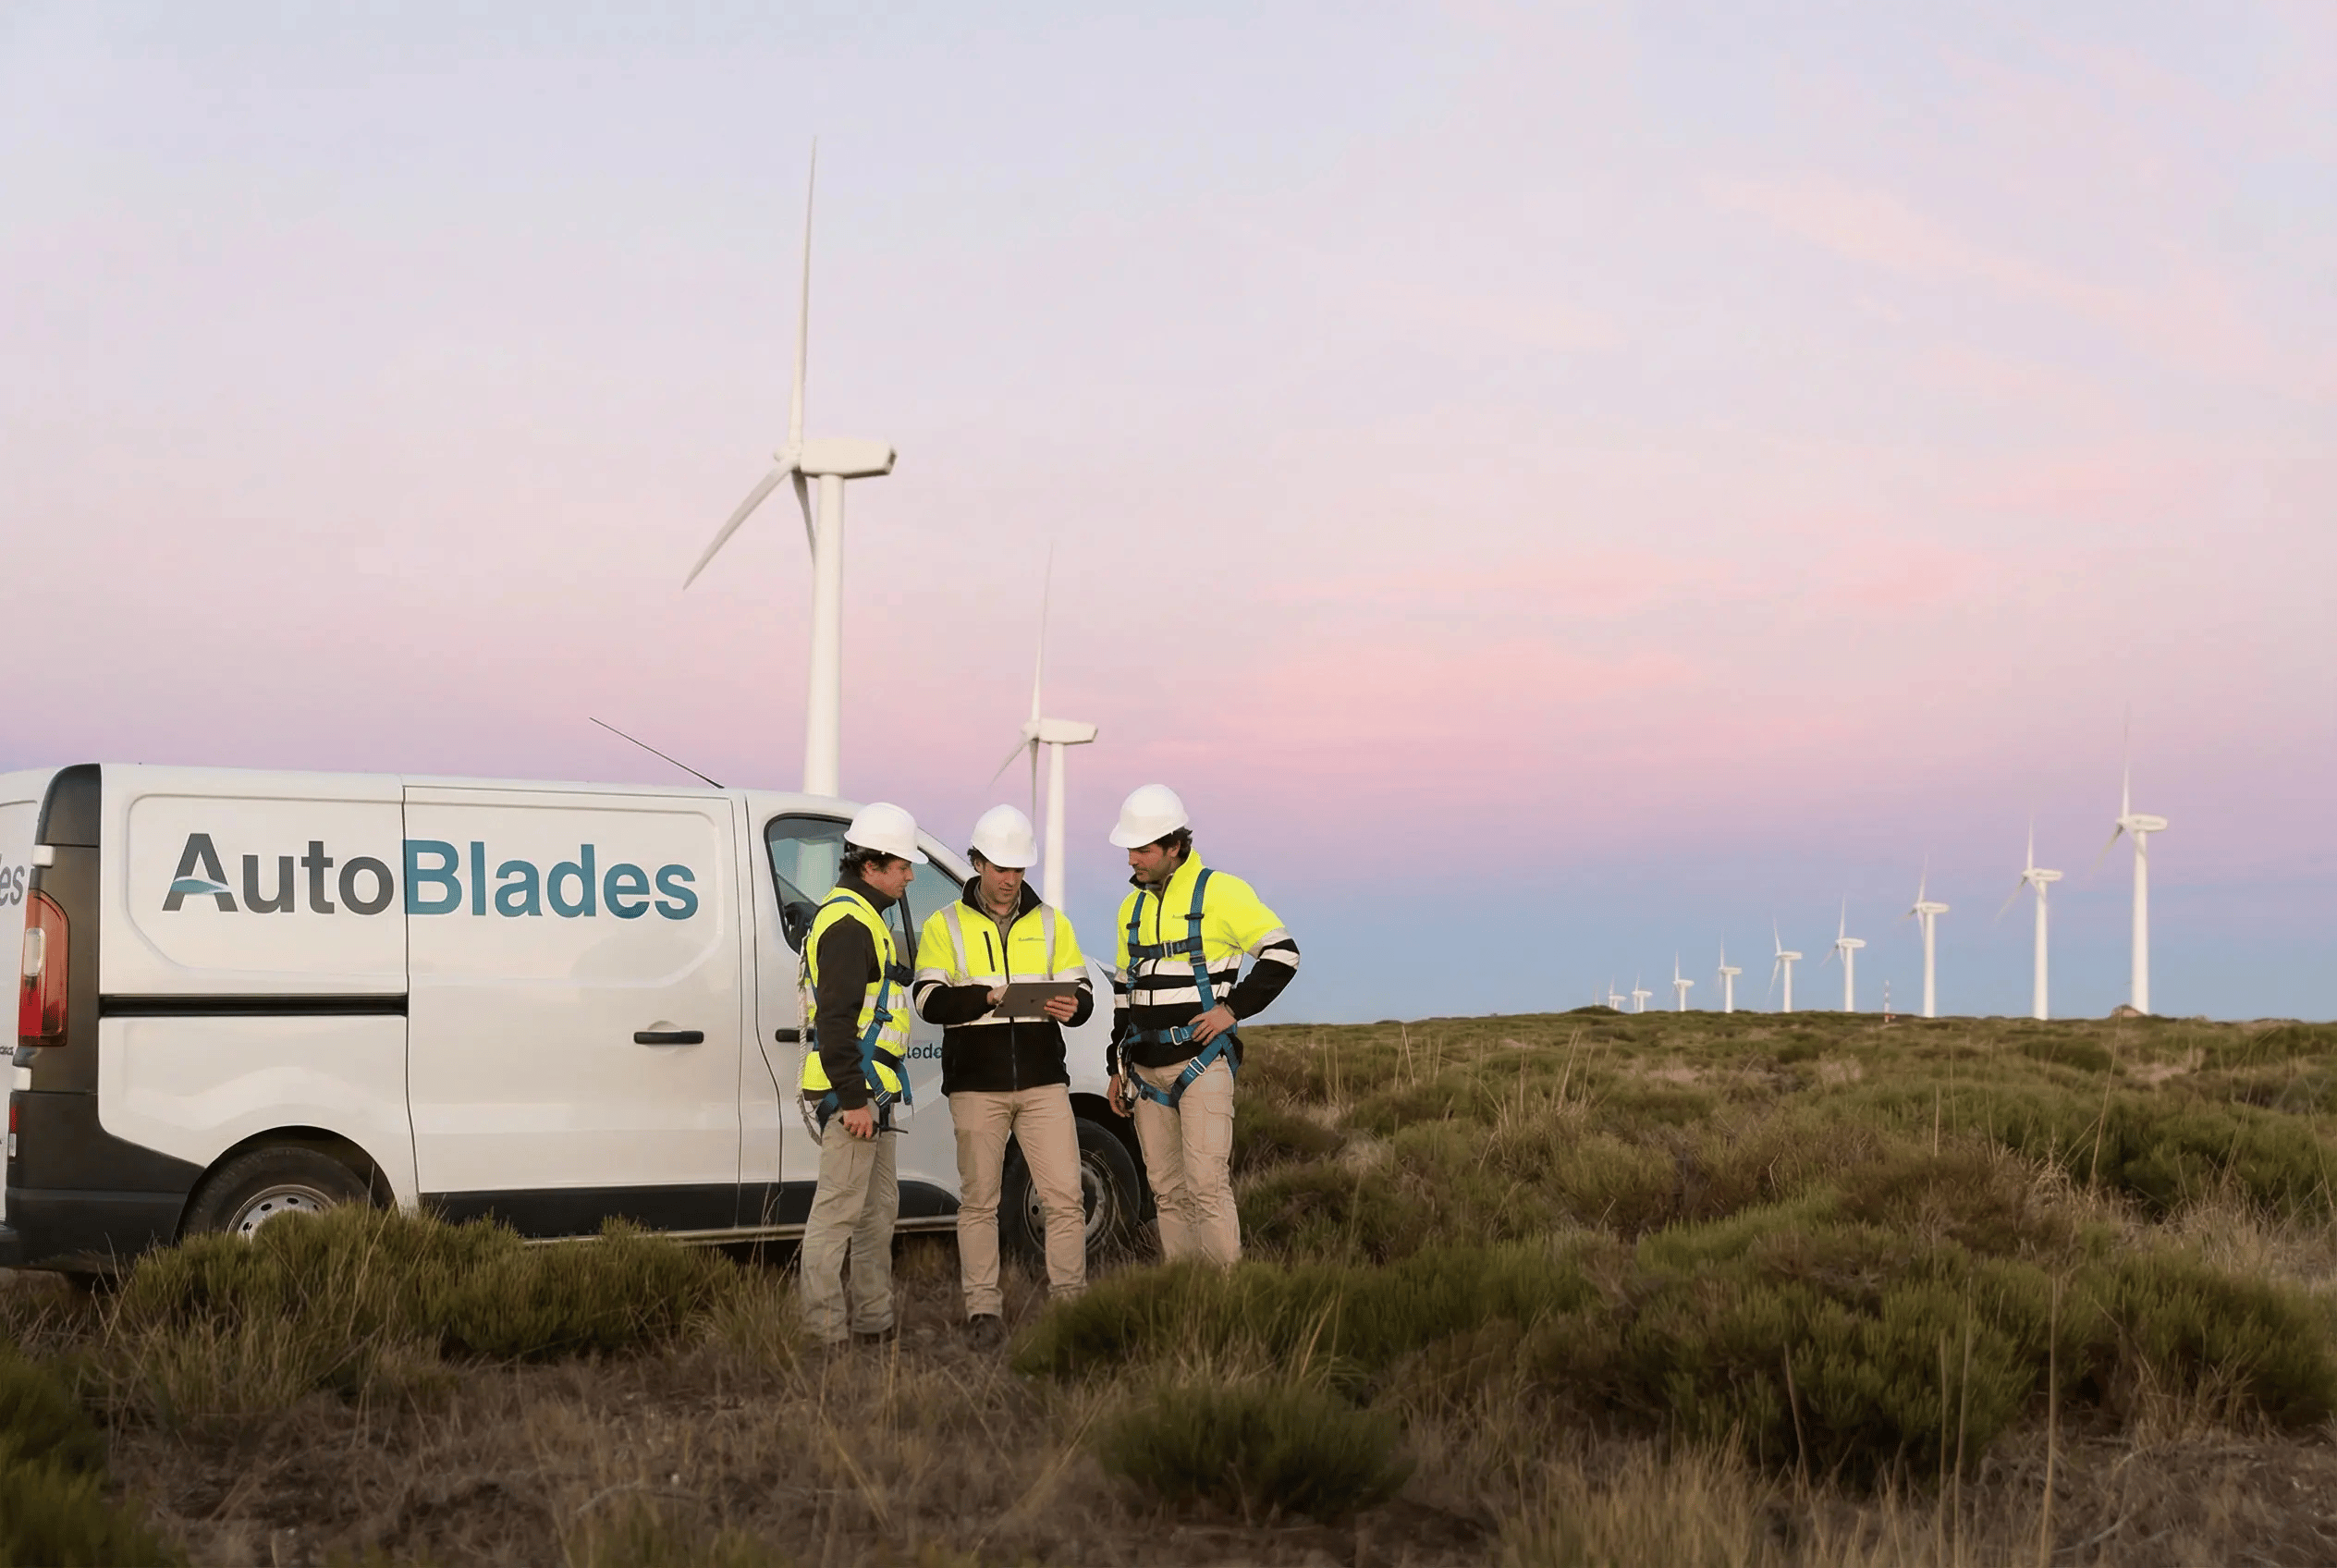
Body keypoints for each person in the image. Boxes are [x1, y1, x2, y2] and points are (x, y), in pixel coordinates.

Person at [912, 805, 1095, 1347]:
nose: (1009, 879)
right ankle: (983, 1312)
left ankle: (1071, 1305)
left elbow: (1082, 994)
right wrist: (987, 997)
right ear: (976, 863)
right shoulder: (942, 925)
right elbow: (927, 1000)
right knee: (980, 1201)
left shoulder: (1053, 922)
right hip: (975, 1085)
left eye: (1018, 869)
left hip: (1043, 1082)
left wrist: (1073, 1006)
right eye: (999, 868)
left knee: (1065, 1197)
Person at [1105, 784, 1299, 1268]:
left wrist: (1230, 1011)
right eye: (1129, 848)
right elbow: (1124, 993)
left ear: (1174, 846)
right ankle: (1185, 1291)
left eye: (1143, 848)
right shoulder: (1130, 909)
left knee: (1207, 1187)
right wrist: (1117, 1064)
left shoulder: (1222, 892)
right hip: (1145, 1074)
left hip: (1202, 1066)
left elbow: (1282, 955)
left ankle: (1223, 1301)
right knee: (1166, 1192)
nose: (1132, 858)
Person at [799, 802, 926, 1349]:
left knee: (877, 1214)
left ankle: (875, 1324)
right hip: (850, 1095)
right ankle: (824, 1334)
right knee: (837, 1215)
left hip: (871, 1093)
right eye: (902, 866)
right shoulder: (849, 924)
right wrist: (853, 1098)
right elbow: (834, 1021)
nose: (910, 875)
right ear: (872, 864)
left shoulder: (861, 917)